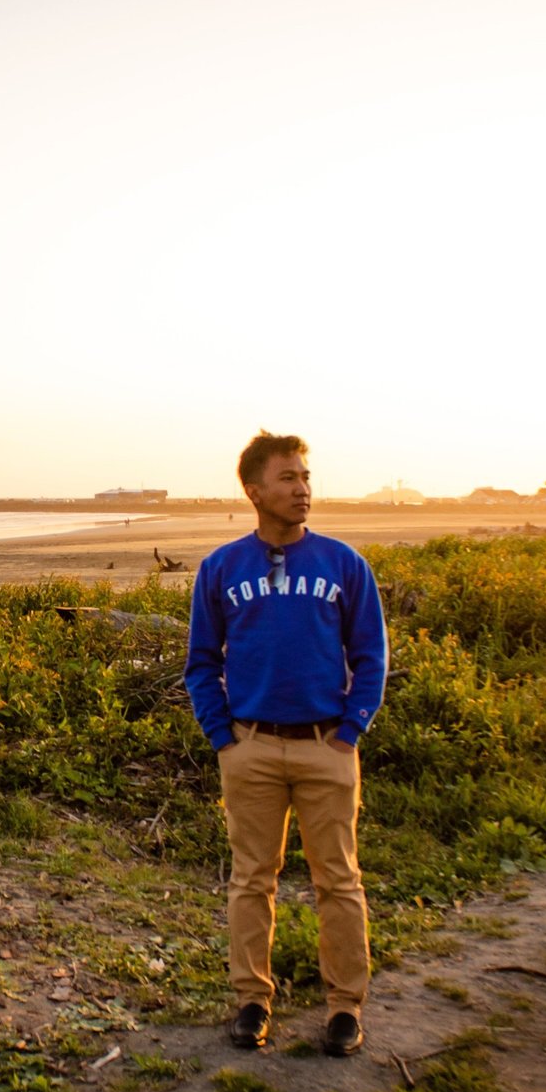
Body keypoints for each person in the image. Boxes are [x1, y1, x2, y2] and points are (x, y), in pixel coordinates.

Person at [184, 431, 389, 1055]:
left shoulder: (344, 564)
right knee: (252, 879)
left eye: (306, 478)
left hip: (327, 746)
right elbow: (200, 662)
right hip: (250, 747)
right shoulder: (221, 568)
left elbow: (370, 657)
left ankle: (344, 1008)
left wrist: (350, 729)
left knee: (340, 881)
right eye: (288, 479)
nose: (303, 490)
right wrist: (223, 736)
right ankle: (251, 1001)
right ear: (254, 491)